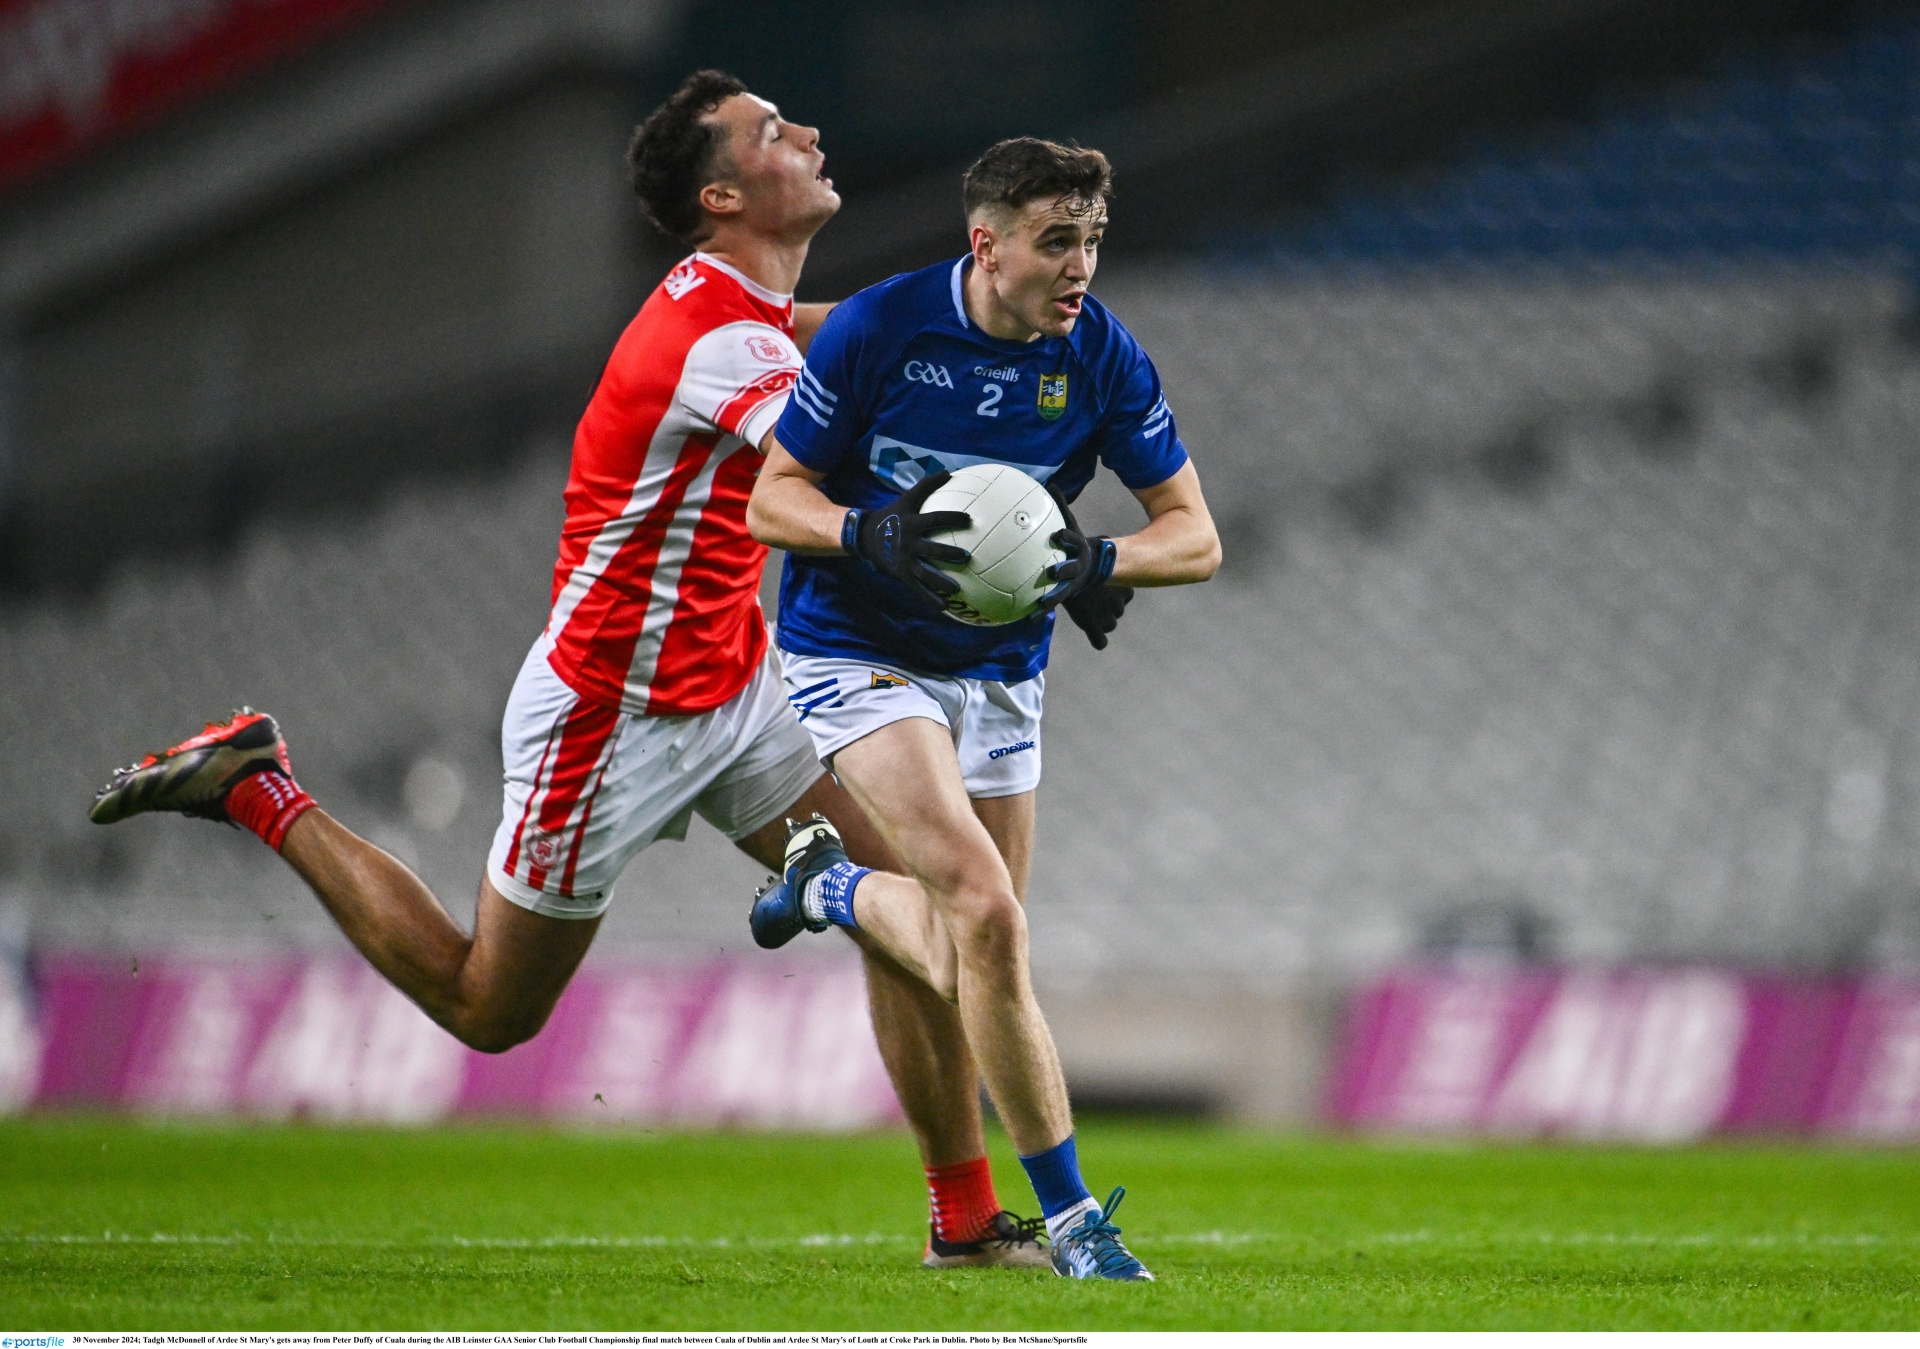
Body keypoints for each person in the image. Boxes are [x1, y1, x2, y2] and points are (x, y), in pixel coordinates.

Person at [87, 71, 1048, 1272]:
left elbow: (857, 335)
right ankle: (257, 784)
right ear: (721, 195)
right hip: (611, 713)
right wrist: (1007, 526)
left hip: (733, 684)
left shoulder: (739, 307)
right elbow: (819, 457)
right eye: (770, 132)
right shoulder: (716, 338)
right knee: (489, 1005)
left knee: (914, 901)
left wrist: (986, 309)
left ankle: (964, 1219)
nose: (807, 132)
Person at [744, 136, 1222, 1282]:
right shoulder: (882, 327)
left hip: (1004, 669)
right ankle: (1075, 1220)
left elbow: (1196, 536)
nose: (1080, 266)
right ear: (987, 244)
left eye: (1092, 240)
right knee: (987, 918)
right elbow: (772, 498)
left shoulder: (1101, 355)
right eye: (1057, 241)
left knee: (978, 955)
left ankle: (834, 889)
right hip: (854, 648)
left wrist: (1095, 561)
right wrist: (869, 531)